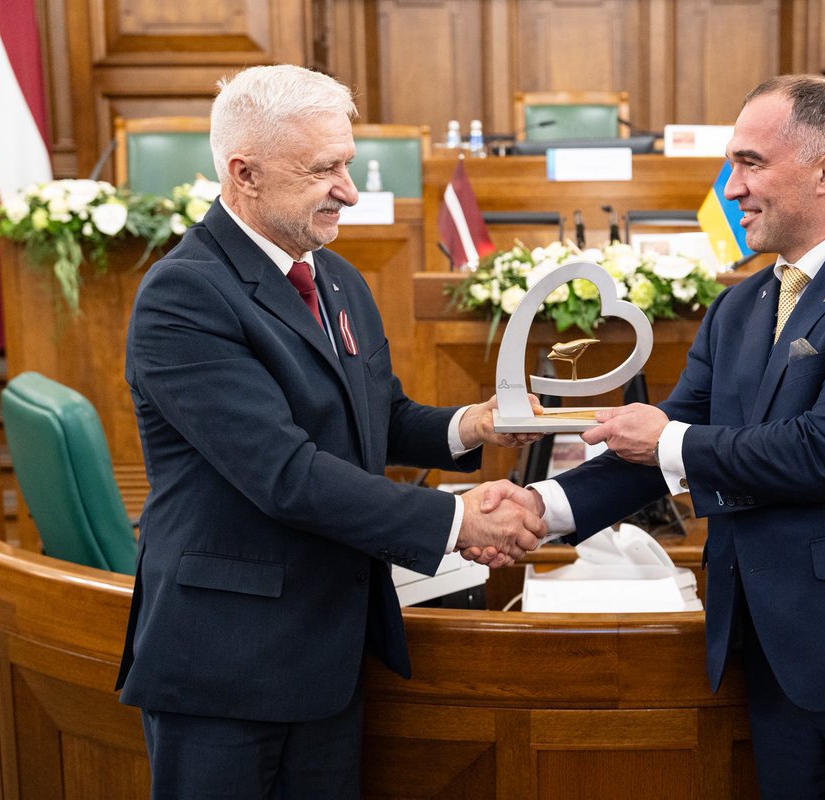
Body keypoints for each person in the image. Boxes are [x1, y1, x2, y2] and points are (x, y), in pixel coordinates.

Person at [488, 74, 825, 798]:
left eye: (749, 163)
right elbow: (660, 447)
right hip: (776, 662)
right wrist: (539, 508)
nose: (732, 187)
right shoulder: (738, 308)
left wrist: (668, 441)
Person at [116, 64, 544, 799]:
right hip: (227, 663)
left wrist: (475, 424)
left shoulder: (335, 276)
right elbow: (286, 475)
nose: (349, 189)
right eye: (323, 170)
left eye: (347, 164)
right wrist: (457, 520)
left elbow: (380, 416)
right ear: (244, 174)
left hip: (330, 650)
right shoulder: (184, 296)